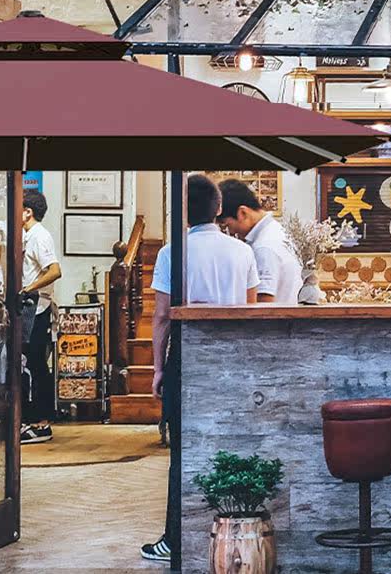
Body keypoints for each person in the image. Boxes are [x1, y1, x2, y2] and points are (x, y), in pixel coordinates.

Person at [140, 173, 259, 564]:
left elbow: (161, 316)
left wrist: (158, 369)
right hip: (234, 359)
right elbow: (250, 311)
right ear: (219, 208)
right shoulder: (242, 252)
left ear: (182, 212)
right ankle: (234, 535)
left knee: (182, 451)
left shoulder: (171, 253)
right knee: (233, 444)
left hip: (186, 357)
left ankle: (176, 540)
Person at [19, 190, 62, 444]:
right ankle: (31, 420)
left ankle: (41, 424)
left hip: (37, 307)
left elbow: (55, 270)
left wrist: (28, 289)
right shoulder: (28, 236)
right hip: (29, 307)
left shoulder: (39, 236)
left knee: (36, 365)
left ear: (28, 212)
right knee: (30, 364)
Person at [217, 179, 302, 305]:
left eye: (227, 225)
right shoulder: (276, 231)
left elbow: (263, 303)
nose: (230, 232)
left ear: (243, 213)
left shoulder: (264, 248)